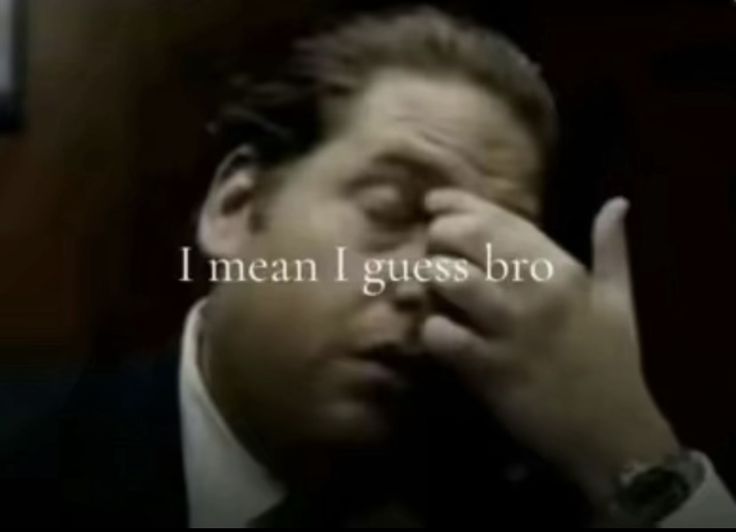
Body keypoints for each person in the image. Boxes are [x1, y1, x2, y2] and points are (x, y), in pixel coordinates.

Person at [3, 7, 735, 527]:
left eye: (481, 252)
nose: (428, 282)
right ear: (237, 208)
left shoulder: (522, 503)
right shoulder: (21, 454)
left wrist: (633, 454)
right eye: (389, 209)